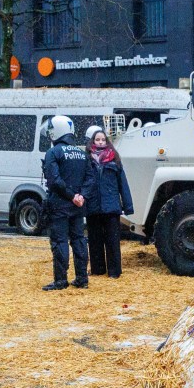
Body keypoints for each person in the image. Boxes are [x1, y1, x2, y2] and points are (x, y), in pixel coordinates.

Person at [41, 115, 94, 291]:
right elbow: (90, 179)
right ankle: (82, 278)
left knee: (60, 241)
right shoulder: (81, 153)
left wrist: (71, 196)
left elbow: (54, 180)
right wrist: (81, 197)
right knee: (79, 240)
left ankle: (60, 280)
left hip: (60, 204)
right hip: (78, 206)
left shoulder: (53, 153)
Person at [85, 130, 134, 278]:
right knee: (95, 240)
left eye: (103, 140)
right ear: (93, 142)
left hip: (111, 206)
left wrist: (128, 205)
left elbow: (123, 184)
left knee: (112, 241)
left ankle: (114, 272)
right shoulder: (87, 160)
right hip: (93, 206)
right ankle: (97, 269)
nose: (100, 142)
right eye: (97, 140)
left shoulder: (115, 160)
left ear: (107, 142)